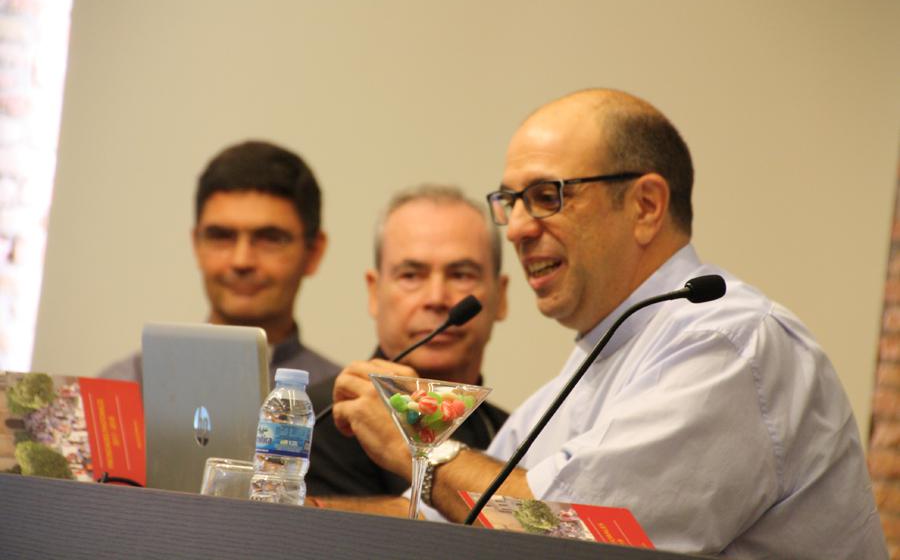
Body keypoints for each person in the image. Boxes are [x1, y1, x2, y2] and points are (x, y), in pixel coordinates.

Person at [325, 89, 887, 558]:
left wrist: (419, 444)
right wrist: (277, 504)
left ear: (645, 206)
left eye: (546, 197)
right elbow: (442, 514)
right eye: (511, 202)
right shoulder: (598, 360)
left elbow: (564, 534)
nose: (517, 228)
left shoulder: (726, 342)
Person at [305, 185, 510, 497]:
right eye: (412, 275)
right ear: (374, 292)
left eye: (461, 275)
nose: (437, 298)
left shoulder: (519, 431)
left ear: (501, 297)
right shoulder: (320, 420)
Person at [100, 140, 341, 387]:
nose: (241, 261)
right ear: (196, 245)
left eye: (270, 239)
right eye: (221, 236)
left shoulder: (341, 406)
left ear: (313, 253)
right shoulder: (127, 390)